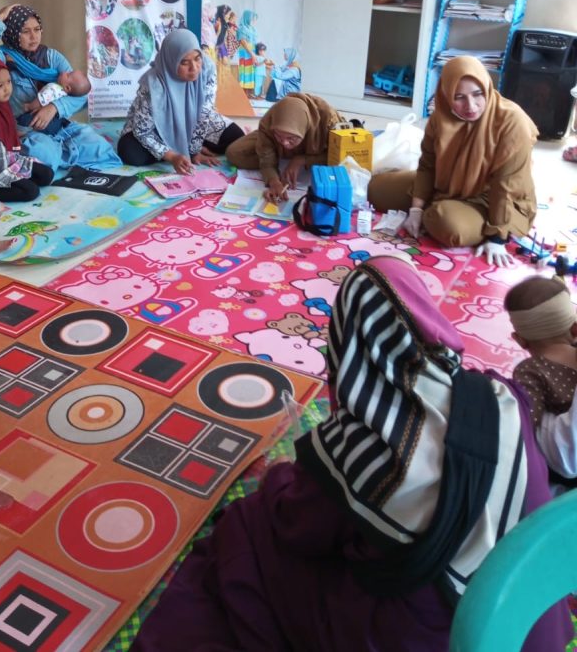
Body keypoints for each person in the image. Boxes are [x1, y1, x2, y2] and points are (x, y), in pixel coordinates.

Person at [130, 256, 571, 652]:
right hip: (533, 620)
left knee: (249, 527)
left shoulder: (367, 445)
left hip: (444, 637)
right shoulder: (503, 396)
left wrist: (282, 476)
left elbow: (298, 527)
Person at [368, 56, 538, 263]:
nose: (471, 106)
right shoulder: (441, 117)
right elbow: (428, 166)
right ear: (447, 95)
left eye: (477, 94)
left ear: (487, 87)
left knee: (445, 224)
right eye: (459, 97)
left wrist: (497, 236)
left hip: (491, 202)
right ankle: (439, 206)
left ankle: (454, 214)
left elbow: (506, 186)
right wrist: (415, 209)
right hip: (446, 186)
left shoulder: (513, 121)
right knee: (374, 189)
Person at [0, 4, 121, 173]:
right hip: (29, 130)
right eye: (25, 31)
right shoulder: (4, 58)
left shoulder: (52, 57)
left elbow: (80, 93)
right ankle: (57, 153)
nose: (34, 37)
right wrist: (1, 18)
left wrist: (54, 108)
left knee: (101, 149)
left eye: (37, 29)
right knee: (45, 156)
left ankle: (58, 152)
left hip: (58, 126)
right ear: (12, 33)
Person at [118, 29, 245, 172]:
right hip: (158, 127)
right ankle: (172, 148)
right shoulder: (153, 84)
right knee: (130, 153)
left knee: (237, 138)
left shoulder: (207, 69)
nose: (194, 68)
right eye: (184, 62)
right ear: (171, 61)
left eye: (197, 58)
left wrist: (194, 151)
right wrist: (173, 156)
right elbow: (142, 130)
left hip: (195, 120)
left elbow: (204, 113)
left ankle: (184, 146)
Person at [507, 275, 577, 482]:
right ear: (575, 328)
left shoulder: (529, 370)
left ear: (520, 340)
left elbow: (526, 422)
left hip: (561, 474)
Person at [226, 92, 343, 203]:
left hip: (316, 147)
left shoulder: (328, 119)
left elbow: (342, 156)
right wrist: (274, 182)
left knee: (337, 163)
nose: (285, 144)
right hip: (275, 137)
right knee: (234, 153)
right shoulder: (269, 120)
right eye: (279, 136)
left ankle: (287, 149)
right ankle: (279, 146)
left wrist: (302, 160)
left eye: (291, 138)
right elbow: (266, 160)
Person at [0, 58, 53, 203]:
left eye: (8, 82)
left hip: (11, 161)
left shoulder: (2, 105)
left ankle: (18, 180)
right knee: (31, 191)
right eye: (0, 85)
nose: (7, 88)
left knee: (47, 174)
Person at [236, 10, 258, 94]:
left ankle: (248, 92)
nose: (254, 21)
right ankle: (243, 93)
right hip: (246, 53)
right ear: (247, 18)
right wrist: (252, 54)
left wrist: (255, 54)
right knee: (245, 72)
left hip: (252, 52)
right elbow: (243, 42)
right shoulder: (242, 28)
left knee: (251, 72)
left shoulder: (252, 29)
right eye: (252, 19)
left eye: (255, 19)